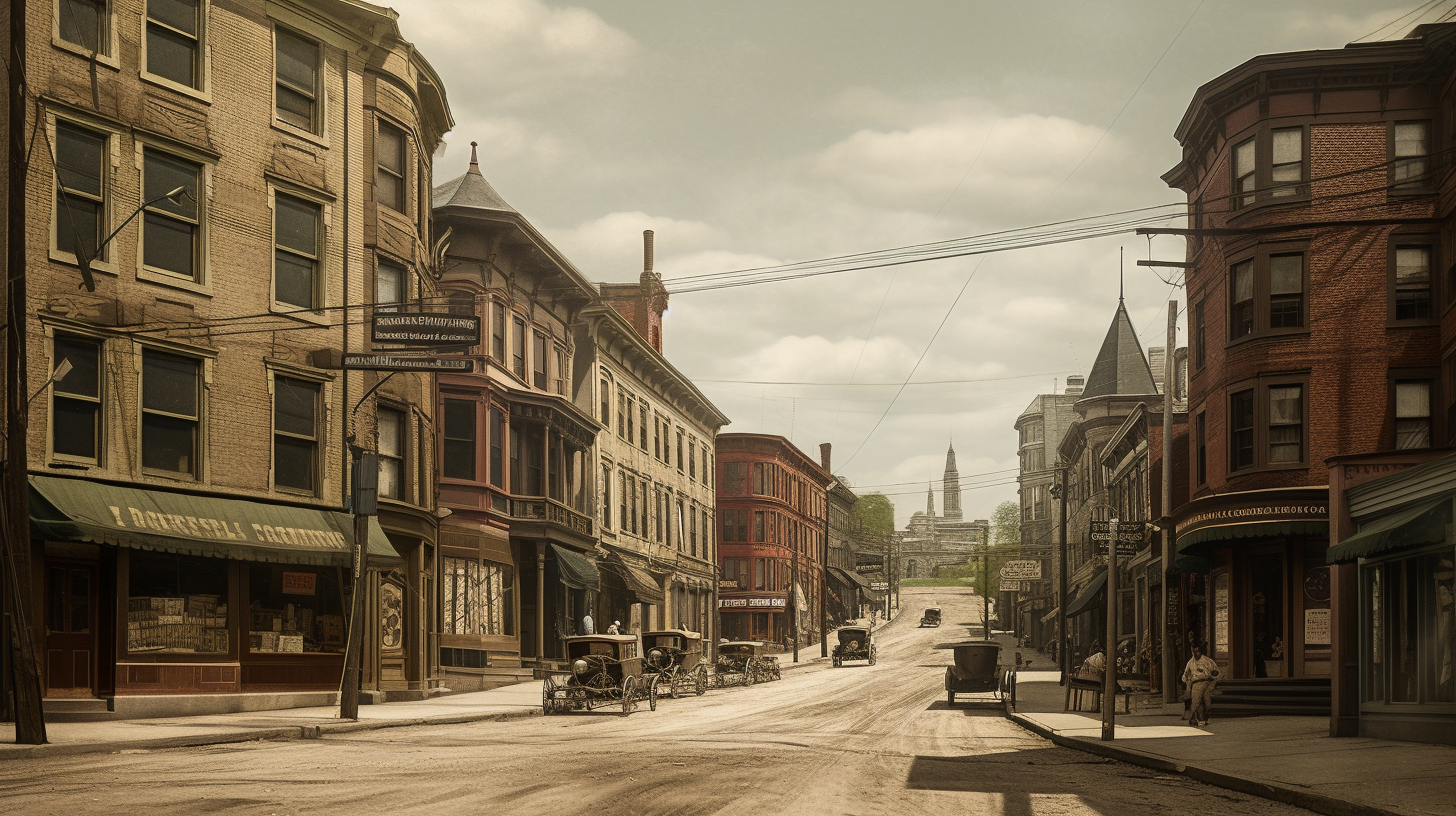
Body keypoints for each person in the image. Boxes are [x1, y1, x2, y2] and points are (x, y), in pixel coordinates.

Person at [1182, 641, 1221, 726]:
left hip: (1207, 683)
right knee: (1196, 702)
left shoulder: (1208, 661)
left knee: (1207, 702)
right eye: (1194, 651)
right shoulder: (1190, 663)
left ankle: (1205, 717)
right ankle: (1197, 718)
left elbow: (1216, 672)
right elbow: (1186, 676)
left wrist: (1212, 679)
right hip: (1196, 684)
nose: (1196, 653)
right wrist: (1188, 685)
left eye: (1198, 651)